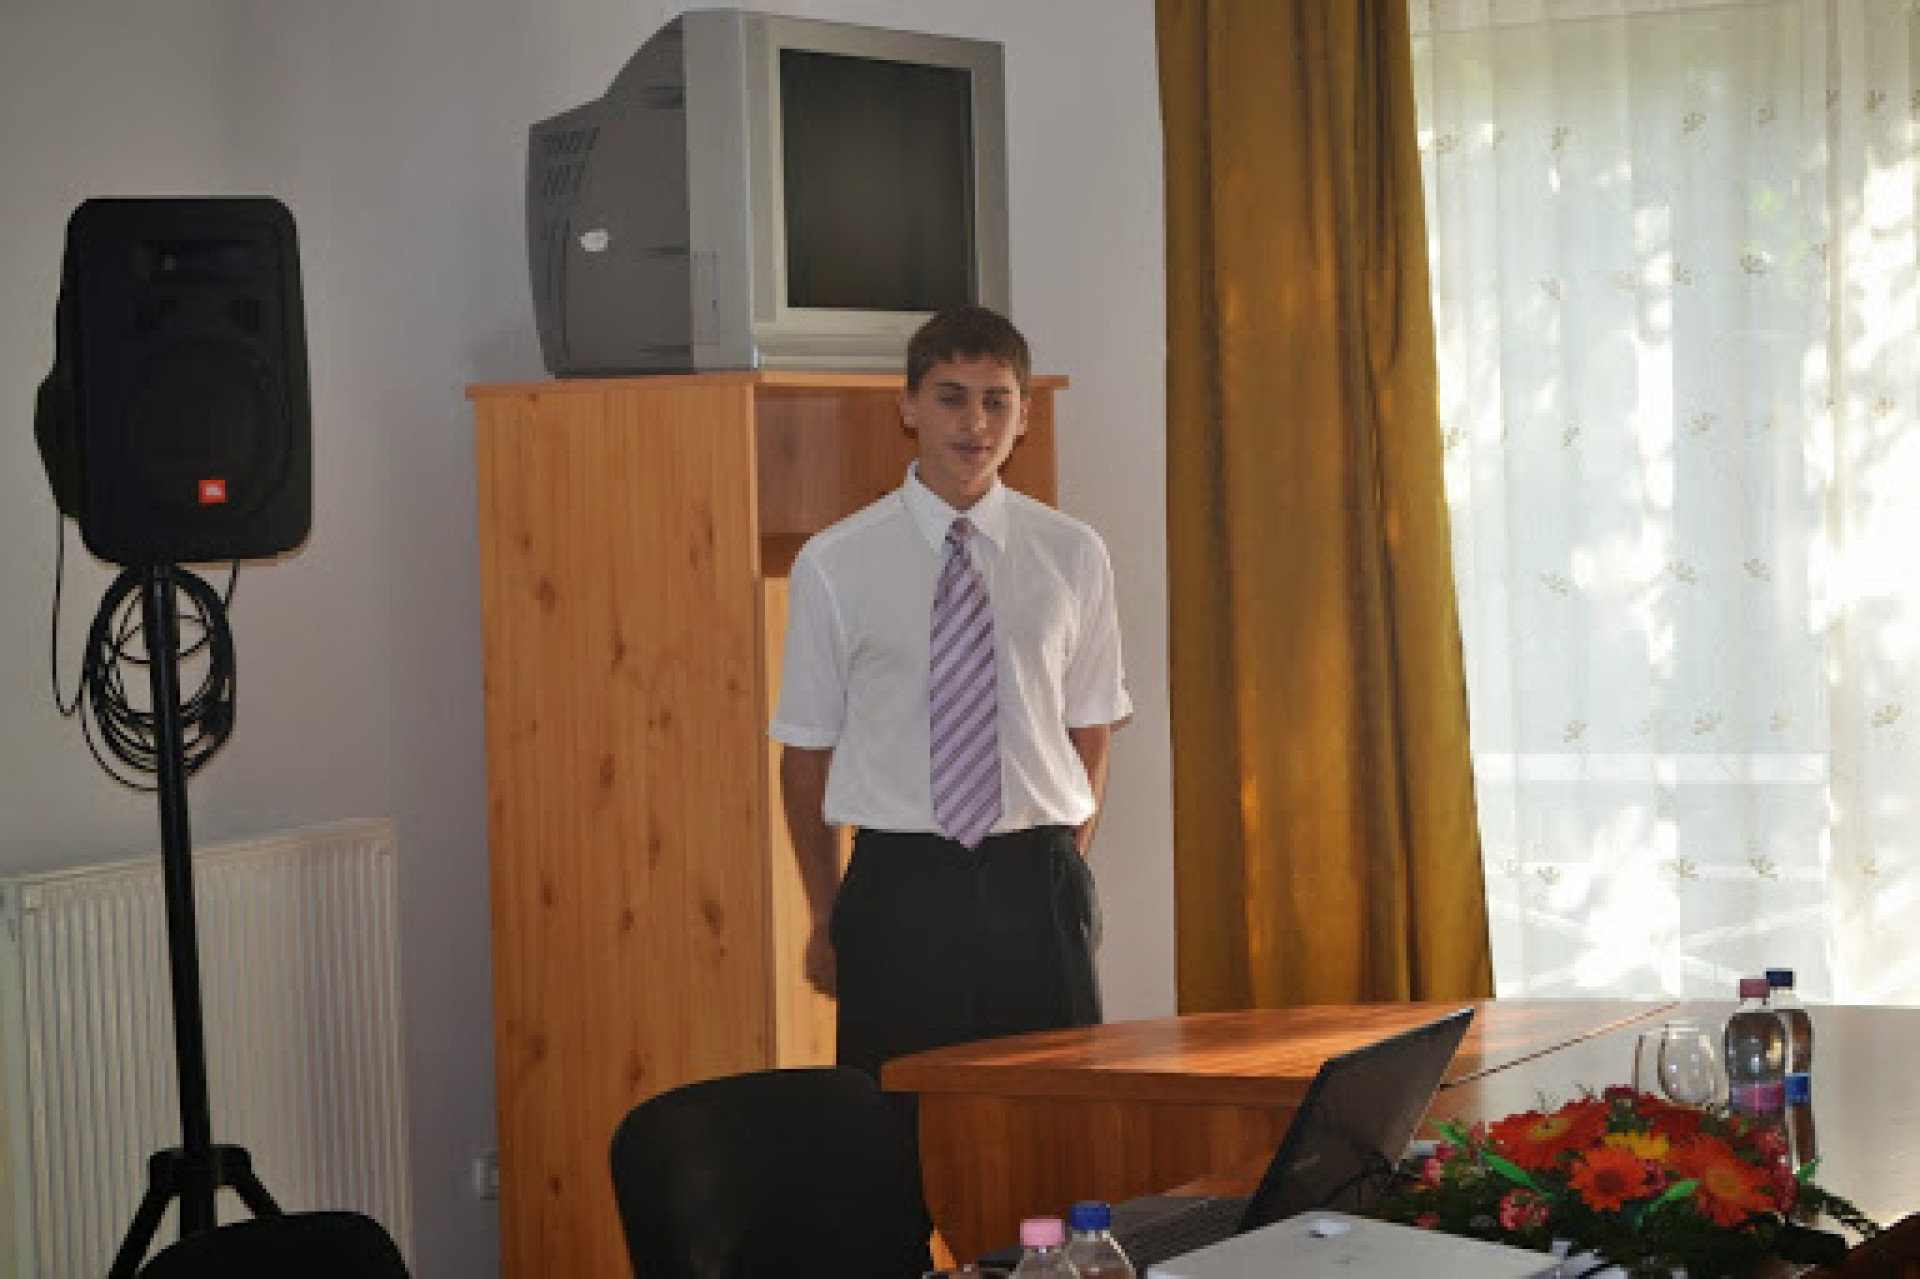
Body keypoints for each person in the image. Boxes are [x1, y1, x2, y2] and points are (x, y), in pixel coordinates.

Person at [770, 304, 1132, 1090]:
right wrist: (826, 913)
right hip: (901, 885)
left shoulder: (1073, 554)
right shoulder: (835, 563)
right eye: (951, 397)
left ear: (1025, 415)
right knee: (898, 1128)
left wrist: (1063, 866)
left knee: (1053, 1122)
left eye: (997, 400)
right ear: (908, 406)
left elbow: (1091, 729)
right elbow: (805, 754)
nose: (976, 422)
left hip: (1036, 881)